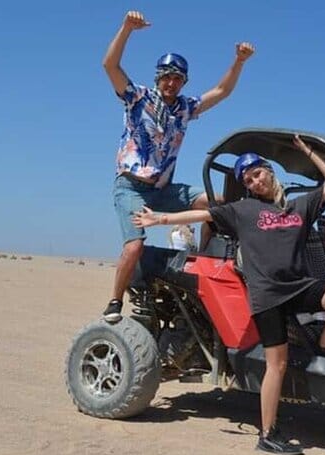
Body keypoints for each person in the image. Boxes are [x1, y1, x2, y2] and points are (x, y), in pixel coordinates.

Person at [133, 134, 325, 455]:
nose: (255, 181)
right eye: (248, 180)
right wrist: (161, 218)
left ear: (268, 171)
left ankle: (324, 345)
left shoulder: (299, 206)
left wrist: (308, 151)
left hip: (298, 287)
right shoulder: (243, 209)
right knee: (277, 366)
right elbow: (203, 216)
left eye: (257, 173)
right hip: (267, 296)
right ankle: (267, 434)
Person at [102, 10, 255, 321]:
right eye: (167, 76)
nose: (171, 83)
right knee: (134, 247)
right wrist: (127, 28)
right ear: (158, 77)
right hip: (132, 188)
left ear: (183, 81)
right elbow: (110, 65)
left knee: (220, 203)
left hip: (165, 189)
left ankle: (203, 258)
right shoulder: (138, 98)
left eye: (178, 78)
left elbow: (222, 92)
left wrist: (238, 61)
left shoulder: (185, 108)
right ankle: (115, 301)